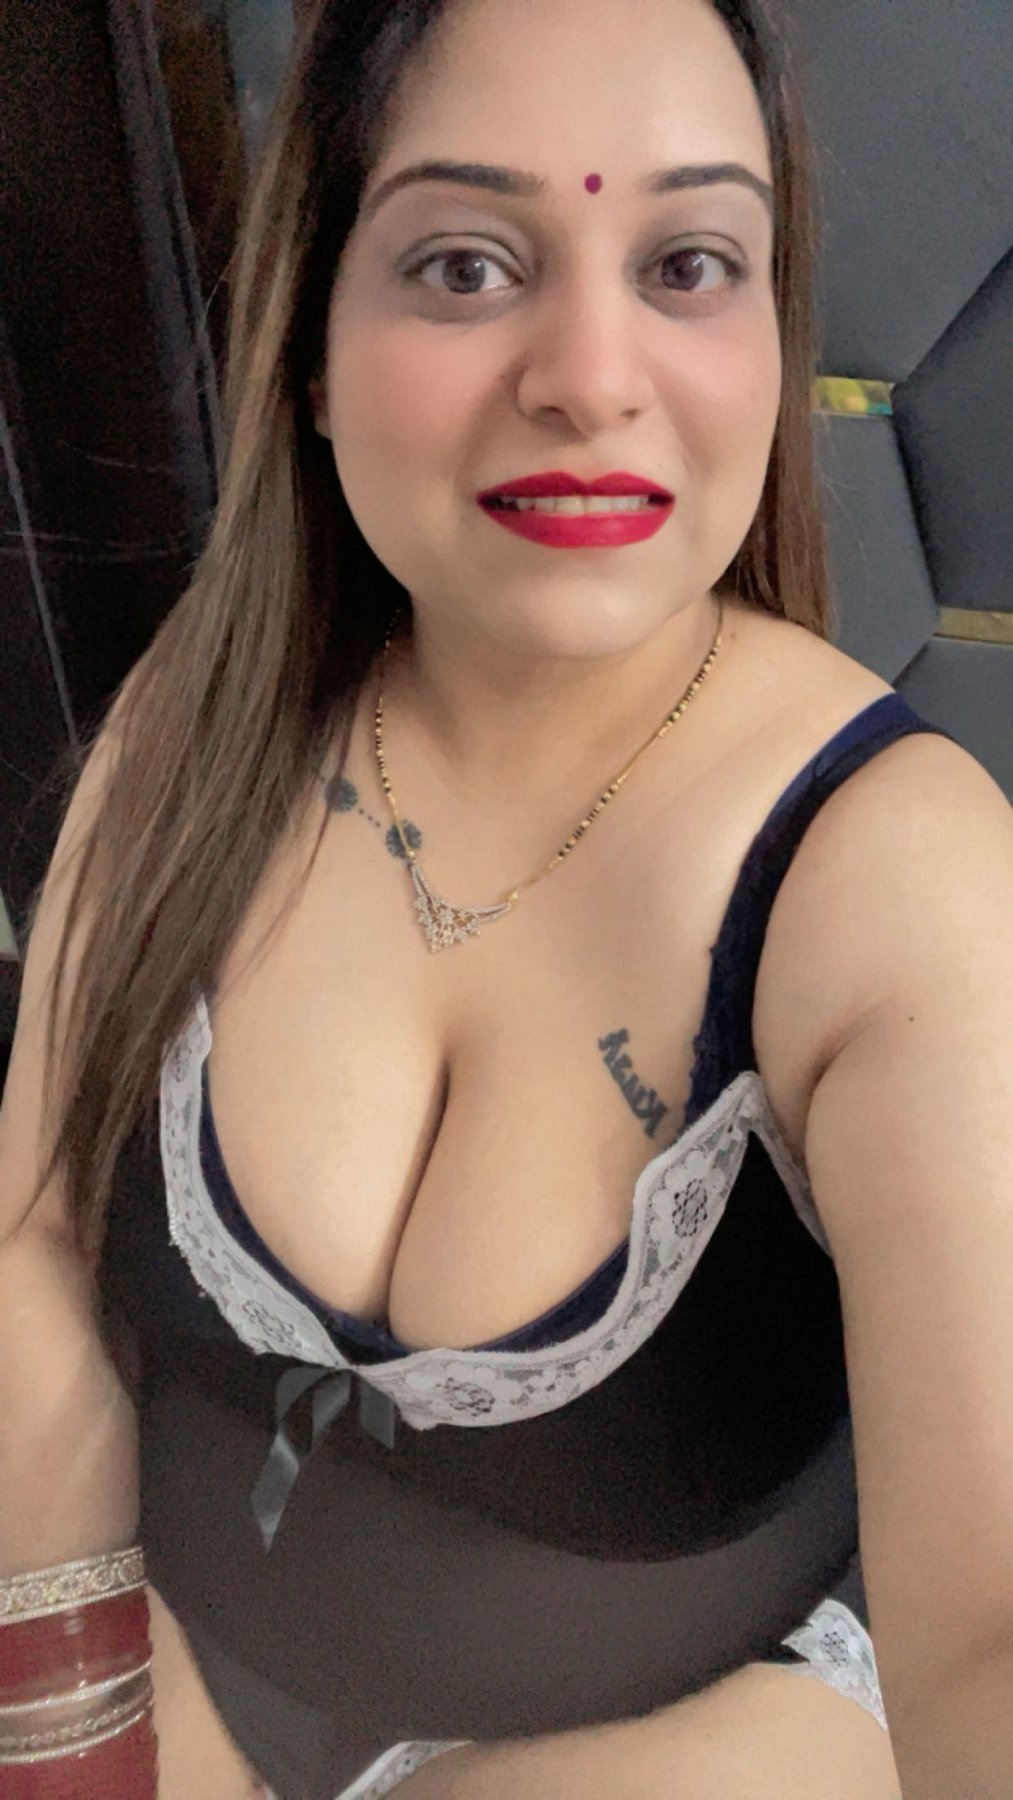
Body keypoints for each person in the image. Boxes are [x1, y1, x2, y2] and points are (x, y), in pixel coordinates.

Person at [2, 0, 1011, 1795]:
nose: (590, 378)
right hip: (163, 1680)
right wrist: (80, 1737)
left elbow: (987, 1640)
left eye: (687, 264)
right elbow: (40, 1258)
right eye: (465, 265)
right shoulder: (194, 720)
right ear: (313, 346)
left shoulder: (893, 875)